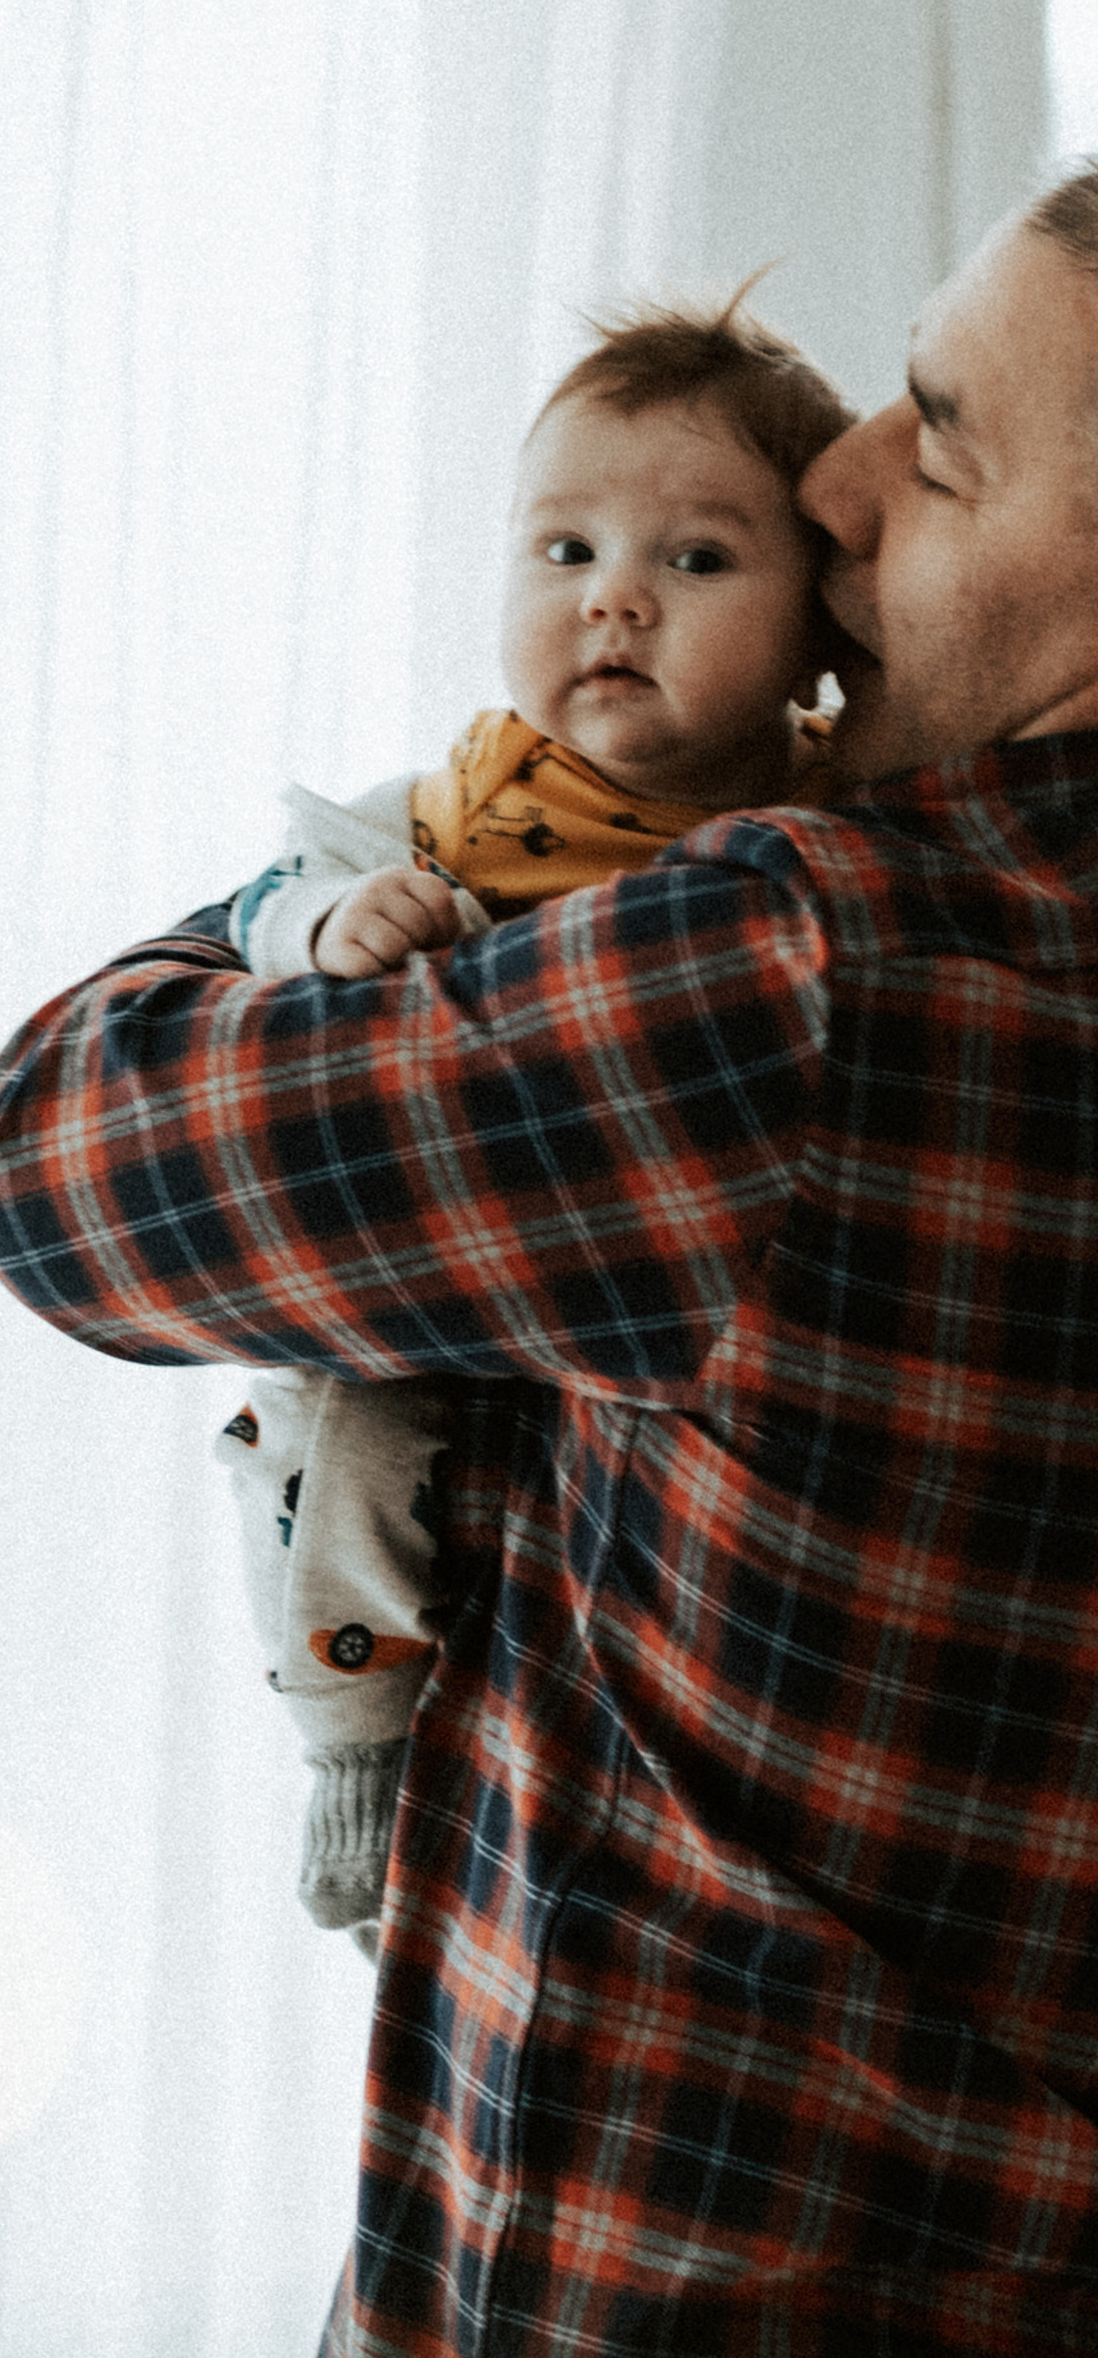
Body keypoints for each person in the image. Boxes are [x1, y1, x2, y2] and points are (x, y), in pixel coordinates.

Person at [0, 171, 1098, 2358]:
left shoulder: (810, 987)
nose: (835, 480)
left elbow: (54, 1168)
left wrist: (295, 913)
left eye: (942, 442)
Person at [225, 299, 847, 1953]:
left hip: (644, 1335)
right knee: (350, 1448)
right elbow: (277, 882)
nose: (614, 598)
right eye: (562, 548)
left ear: (820, 630)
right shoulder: (466, 804)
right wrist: (327, 927)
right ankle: (353, 1754)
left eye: (699, 562)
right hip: (430, 1272)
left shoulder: (824, 822)